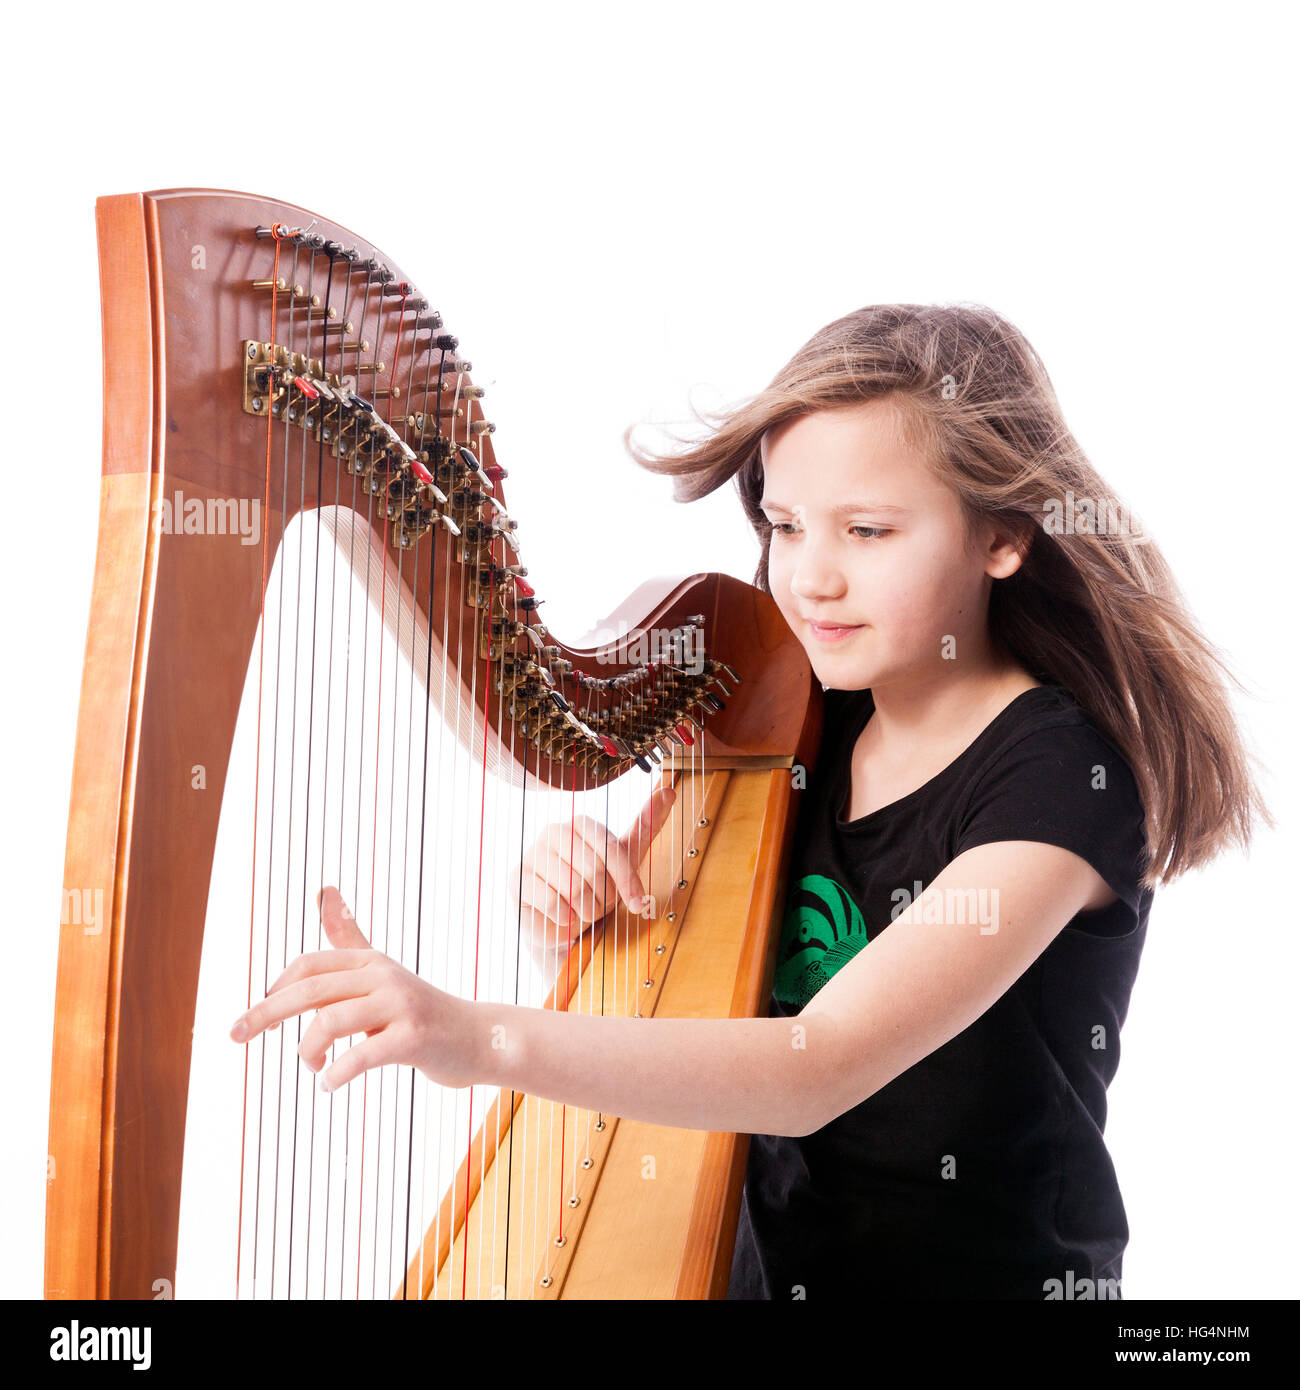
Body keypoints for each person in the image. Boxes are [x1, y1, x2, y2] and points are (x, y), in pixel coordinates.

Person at [230, 303, 1268, 1299]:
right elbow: (709, 1011)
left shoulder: (1056, 783)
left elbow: (818, 1062)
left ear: (1000, 537)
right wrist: (586, 911)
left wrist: (478, 1038)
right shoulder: (801, 725)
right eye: (784, 525)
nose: (810, 577)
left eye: (866, 530)